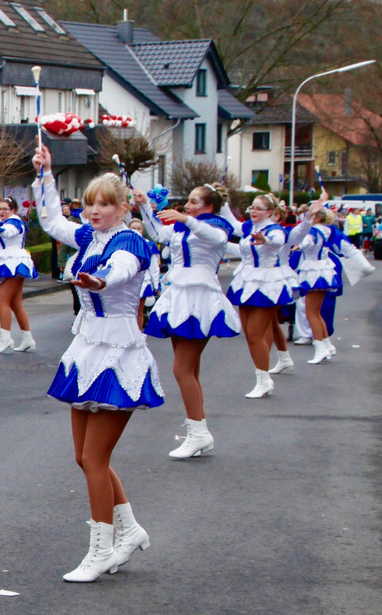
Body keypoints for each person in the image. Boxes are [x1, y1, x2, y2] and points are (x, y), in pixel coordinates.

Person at [33, 141, 162, 582]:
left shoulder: (129, 240)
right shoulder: (90, 237)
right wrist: (45, 174)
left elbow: (124, 268)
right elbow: (51, 220)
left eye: (104, 204)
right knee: (85, 458)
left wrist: (101, 279)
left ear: (123, 208)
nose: (94, 211)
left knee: (93, 458)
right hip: (87, 348)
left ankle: (101, 549)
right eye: (90, 203)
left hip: (118, 352)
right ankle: (128, 530)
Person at [136, 184, 237, 459]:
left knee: (182, 370)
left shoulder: (217, 225)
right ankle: (199, 430)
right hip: (179, 295)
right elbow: (158, 233)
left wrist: (186, 218)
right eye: (189, 202)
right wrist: (144, 204)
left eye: (194, 201)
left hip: (200, 296)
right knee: (189, 370)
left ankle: (199, 432)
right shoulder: (183, 227)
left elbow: (216, 240)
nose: (188, 205)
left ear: (209, 206)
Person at [223, 194, 305, 397]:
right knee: (250, 334)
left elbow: (277, 242)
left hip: (269, 282)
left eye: (259, 208)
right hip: (247, 280)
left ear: (270, 212)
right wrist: (223, 200)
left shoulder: (275, 230)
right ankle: (265, 375)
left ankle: (263, 379)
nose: (253, 211)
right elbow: (231, 222)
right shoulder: (249, 227)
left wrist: (265, 240)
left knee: (256, 333)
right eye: (252, 207)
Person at [0, 196, 37, 353]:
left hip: (15, 262)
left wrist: (0, 229)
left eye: (5, 209)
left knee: (2, 301)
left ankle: (6, 339)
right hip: (10, 261)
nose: (1, 211)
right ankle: (28, 339)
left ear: (13, 210)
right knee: (15, 303)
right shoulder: (6, 221)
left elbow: (9, 232)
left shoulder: (14, 221)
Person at [295, 197, 341, 365]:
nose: (308, 217)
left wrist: (297, 246)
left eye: (311, 215)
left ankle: (320, 348)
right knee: (316, 312)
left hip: (313, 271)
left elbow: (307, 242)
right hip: (323, 269)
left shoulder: (313, 231)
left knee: (311, 313)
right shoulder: (327, 230)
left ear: (319, 217)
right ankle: (327, 345)